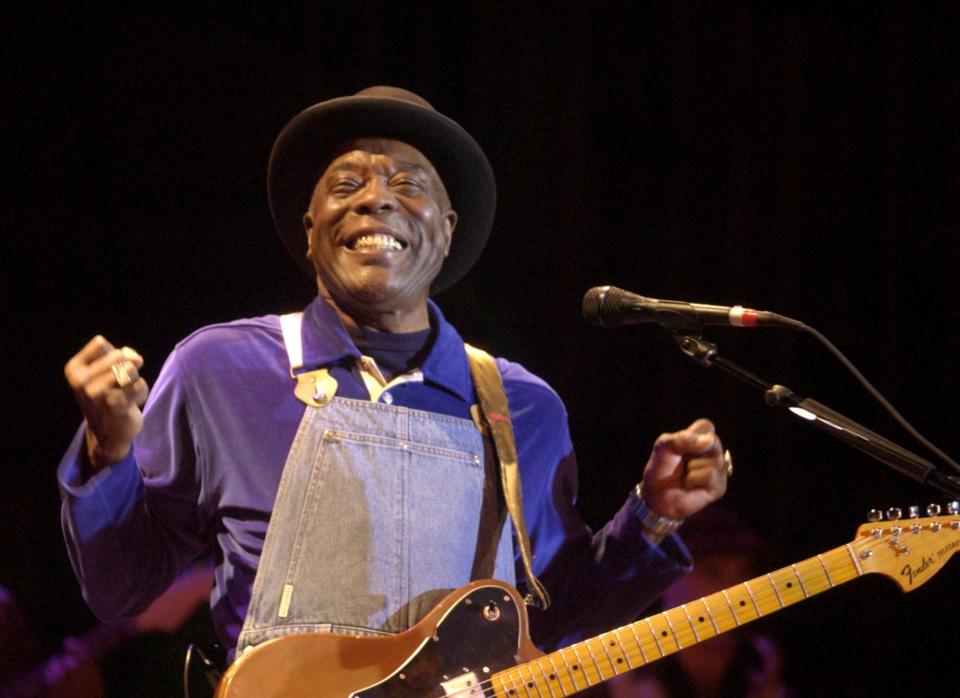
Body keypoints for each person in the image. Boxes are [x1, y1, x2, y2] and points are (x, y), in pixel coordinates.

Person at [58, 86, 730, 680]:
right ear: (311, 230)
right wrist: (106, 452)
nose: (376, 197)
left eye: (408, 183)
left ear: (445, 232)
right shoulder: (219, 369)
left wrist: (654, 513)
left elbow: (551, 625)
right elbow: (121, 591)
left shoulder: (521, 406)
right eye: (346, 183)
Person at [607, 506, 792, 698]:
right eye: (713, 572)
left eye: (743, 575)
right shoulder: (615, 678)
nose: (733, 590)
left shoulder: (763, 669)